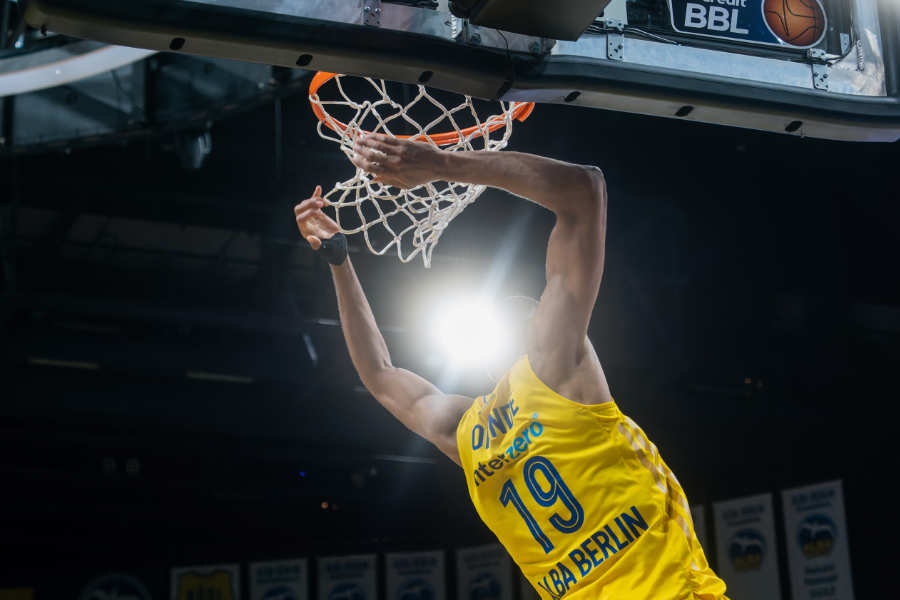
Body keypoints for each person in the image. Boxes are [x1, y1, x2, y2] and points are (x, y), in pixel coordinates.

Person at [293, 134, 729, 600]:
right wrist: (439, 166)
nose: (538, 306)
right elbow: (584, 190)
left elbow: (379, 375)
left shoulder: (470, 431)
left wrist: (341, 259)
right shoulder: (545, 370)